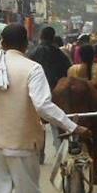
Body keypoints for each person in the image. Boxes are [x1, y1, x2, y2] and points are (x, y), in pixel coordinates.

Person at [0, 24, 89, 193]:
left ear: (2, 42)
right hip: (23, 145)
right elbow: (43, 106)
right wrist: (72, 126)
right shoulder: (32, 68)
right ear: (26, 44)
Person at [27, 26, 72, 159]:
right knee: (56, 122)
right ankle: (60, 155)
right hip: (56, 93)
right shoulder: (60, 54)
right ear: (53, 38)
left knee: (38, 123)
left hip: (36, 92)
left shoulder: (33, 53)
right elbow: (67, 71)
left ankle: (39, 152)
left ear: (41, 36)